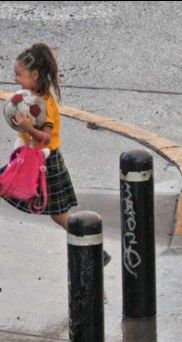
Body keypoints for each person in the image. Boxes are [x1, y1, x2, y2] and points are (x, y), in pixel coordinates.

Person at [3, 43, 110, 265]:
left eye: (19, 74)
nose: (15, 79)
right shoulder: (28, 98)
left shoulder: (44, 104)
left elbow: (46, 137)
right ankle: (97, 252)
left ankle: (96, 251)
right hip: (30, 156)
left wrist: (27, 128)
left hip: (44, 161)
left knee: (60, 215)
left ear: (34, 74)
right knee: (58, 215)